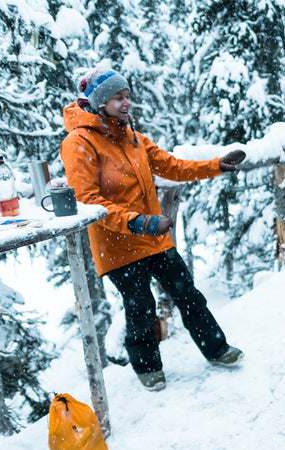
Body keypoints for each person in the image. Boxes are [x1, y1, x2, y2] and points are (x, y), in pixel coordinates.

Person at [60, 68, 247, 392]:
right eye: (118, 97)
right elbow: (88, 200)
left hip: (153, 237)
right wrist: (137, 222)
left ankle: (217, 349)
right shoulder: (79, 142)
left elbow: (172, 166)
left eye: (127, 96)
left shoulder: (132, 137)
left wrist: (216, 165)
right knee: (141, 307)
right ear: (100, 102)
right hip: (117, 244)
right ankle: (147, 366)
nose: (126, 102)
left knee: (187, 293)